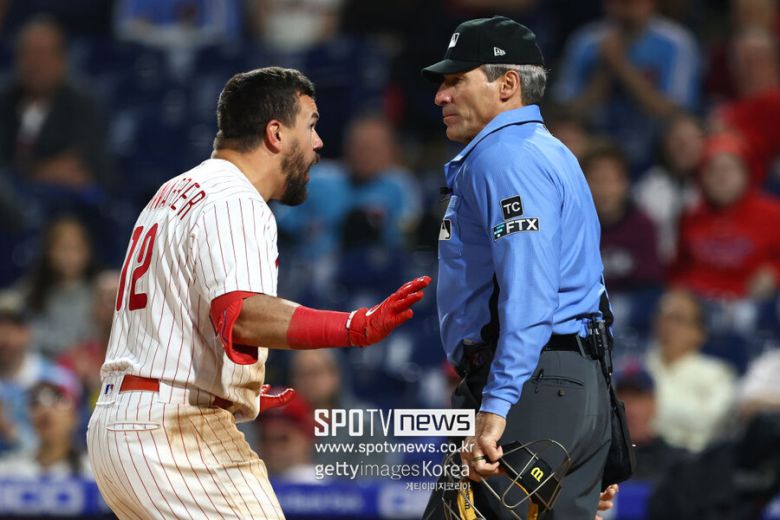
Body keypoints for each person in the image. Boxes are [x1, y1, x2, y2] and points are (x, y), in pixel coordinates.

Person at [86, 67, 431, 519]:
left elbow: (182, 315)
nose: (319, 142)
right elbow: (243, 314)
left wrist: (227, 383)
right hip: (170, 432)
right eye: (311, 125)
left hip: (125, 421)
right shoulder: (235, 199)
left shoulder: (176, 190)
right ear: (276, 133)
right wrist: (352, 326)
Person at [420, 16, 614, 519]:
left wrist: (498, 403)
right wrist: (587, 422)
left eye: (456, 80)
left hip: (528, 386)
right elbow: (587, 288)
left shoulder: (505, 158)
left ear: (507, 84)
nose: (441, 96)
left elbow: (530, 293)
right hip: (568, 382)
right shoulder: (551, 152)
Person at [553, 0, 700, 173]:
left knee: (684, 131)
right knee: (565, 134)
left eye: (630, 3)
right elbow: (569, 111)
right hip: (596, 147)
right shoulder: (586, 41)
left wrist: (621, 65)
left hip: (656, 147)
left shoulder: (675, 42)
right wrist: (604, 71)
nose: (624, 10)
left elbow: (672, 112)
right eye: (617, 3)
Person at [0, 16, 111, 187]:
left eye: (43, 55)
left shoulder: (83, 106)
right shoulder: (4, 101)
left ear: (62, 61)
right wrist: (38, 173)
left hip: (60, 198)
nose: (35, 64)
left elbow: (85, 167)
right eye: (27, 54)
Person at [645, 289, 737, 452]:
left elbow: (709, 422)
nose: (667, 325)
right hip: (639, 455)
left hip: (694, 459)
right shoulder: (636, 367)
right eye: (663, 316)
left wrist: (646, 409)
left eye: (678, 319)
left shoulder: (717, 373)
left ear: (699, 333)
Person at [0, 380, 91, 479]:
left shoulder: (92, 472)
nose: (45, 410)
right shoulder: (12, 470)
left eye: (58, 400)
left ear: (74, 417)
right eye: (36, 403)